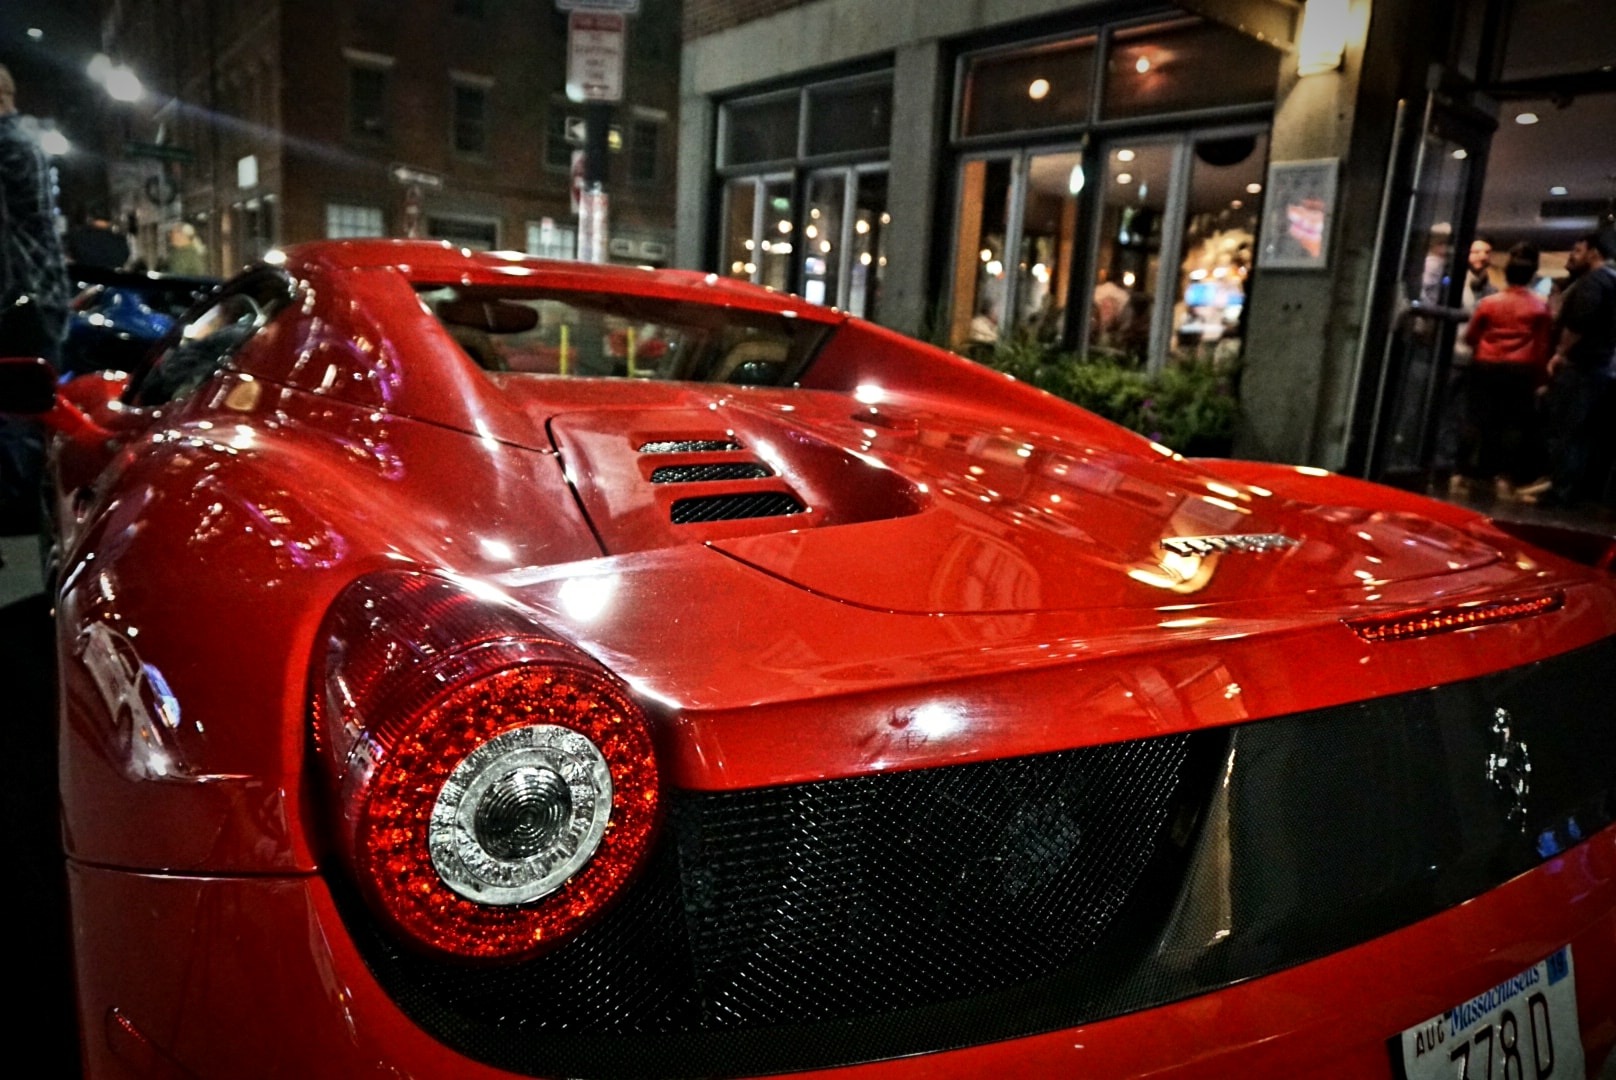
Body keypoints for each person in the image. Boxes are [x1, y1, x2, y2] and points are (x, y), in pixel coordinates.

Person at [0, 62, 72, 532]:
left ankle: (19, 513)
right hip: (42, 297)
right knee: (34, 408)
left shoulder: (6, 146)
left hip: (17, 301)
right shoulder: (26, 142)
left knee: (16, 413)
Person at [1458, 243, 1552, 497]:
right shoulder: (1540, 307)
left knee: (1475, 418)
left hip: (1485, 365)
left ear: (1507, 275)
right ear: (1531, 276)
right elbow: (1542, 347)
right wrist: (1541, 379)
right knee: (1513, 425)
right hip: (1520, 370)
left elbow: (1471, 336)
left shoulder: (1489, 303)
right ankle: (1503, 479)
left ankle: (1461, 474)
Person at [1531, 233, 1616, 507]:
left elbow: (1579, 323)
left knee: (1565, 430)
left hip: (1580, 366)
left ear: (1593, 252)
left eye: (1578, 250)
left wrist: (1560, 353)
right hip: (1601, 367)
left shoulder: (1592, 282)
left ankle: (1559, 491)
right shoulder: (1612, 280)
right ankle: (1571, 490)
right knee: (1582, 434)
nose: (1573, 255)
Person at [65, 205, 132, 270]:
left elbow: (72, 257)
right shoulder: (120, 240)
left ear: (90, 218)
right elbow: (123, 259)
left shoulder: (78, 237)